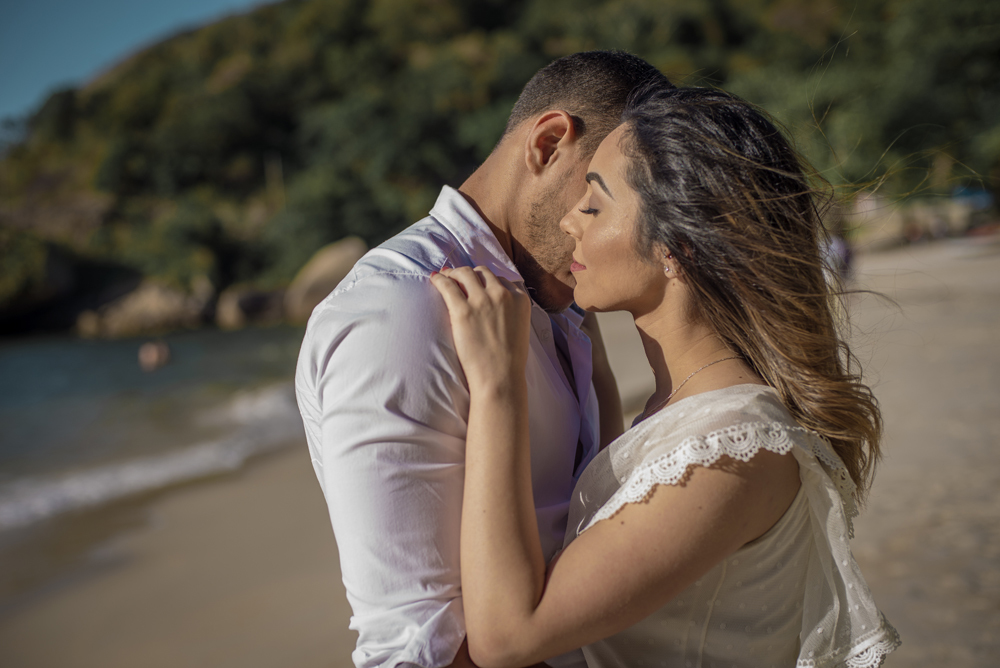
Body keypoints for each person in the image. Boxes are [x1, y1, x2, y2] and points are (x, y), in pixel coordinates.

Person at [431, 86, 901, 667]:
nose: (567, 220)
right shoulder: (686, 409)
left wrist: (499, 385)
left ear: (676, 248)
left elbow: (509, 637)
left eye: (594, 205)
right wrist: (585, 356)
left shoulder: (733, 446)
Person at [295, 51, 672, 668]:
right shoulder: (405, 311)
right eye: (607, 196)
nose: (625, 231)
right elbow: (418, 650)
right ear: (548, 145)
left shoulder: (559, 298)